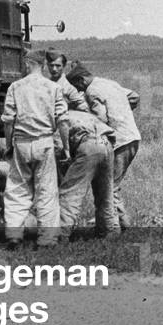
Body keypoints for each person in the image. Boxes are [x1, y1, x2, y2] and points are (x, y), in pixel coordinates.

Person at [1, 49, 70, 249]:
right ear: (43, 65)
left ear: (28, 63)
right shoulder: (53, 88)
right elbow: (63, 121)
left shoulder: (15, 87)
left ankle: (14, 235)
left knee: (16, 189)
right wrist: (66, 148)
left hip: (21, 143)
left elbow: (8, 121)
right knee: (47, 192)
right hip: (44, 142)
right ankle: (47, 239)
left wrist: (8, 145)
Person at [66, 65, 141, 231]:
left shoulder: (91, 91)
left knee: (109, 187)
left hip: (120, 140)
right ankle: (122, 224)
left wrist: (84, 118)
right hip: (133, 136)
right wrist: (122, 111)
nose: (78, 91)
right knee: (113, 185)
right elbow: (134, 96)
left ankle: (115, 228)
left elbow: (100, 118)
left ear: (81, 80)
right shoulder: (109, 83)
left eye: (77, 86)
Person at [57, 109, 119, 239]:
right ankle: (109, 231)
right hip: (106, 143)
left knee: (70, 193)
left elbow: (59, 151)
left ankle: (60, 235)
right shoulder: (81, 114)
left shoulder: (59, 120)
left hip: (88, 145)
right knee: (105, 193)